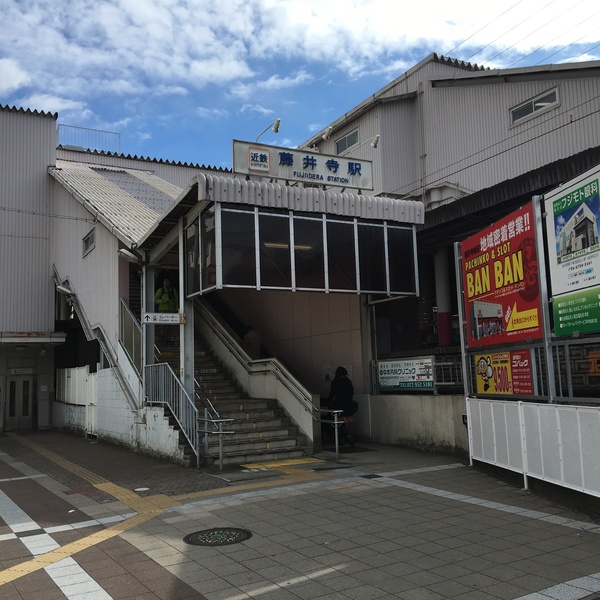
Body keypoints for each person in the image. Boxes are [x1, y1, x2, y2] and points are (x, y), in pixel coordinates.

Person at [327, 366, 358, 447]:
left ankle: (345, 437)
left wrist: (328, 401)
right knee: (343, 422)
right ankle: (345, 437)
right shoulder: (348, 381)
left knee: (339, 422)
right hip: (347, 405)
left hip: (339, 404)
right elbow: (352, 393)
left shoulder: (335, 382)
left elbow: (332, 393)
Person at [154, 277, 179, 344]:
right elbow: (155, 300)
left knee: (170, 326)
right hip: (163, 310)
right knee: (163, 325)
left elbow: (176, 301)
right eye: (164, 281)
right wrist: (162, 301)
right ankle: (163, 336)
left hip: (171, 310)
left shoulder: (173, 291)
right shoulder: (161, 290)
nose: (166, 283)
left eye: (167, 281)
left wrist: (176, 310)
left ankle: (168, 339)